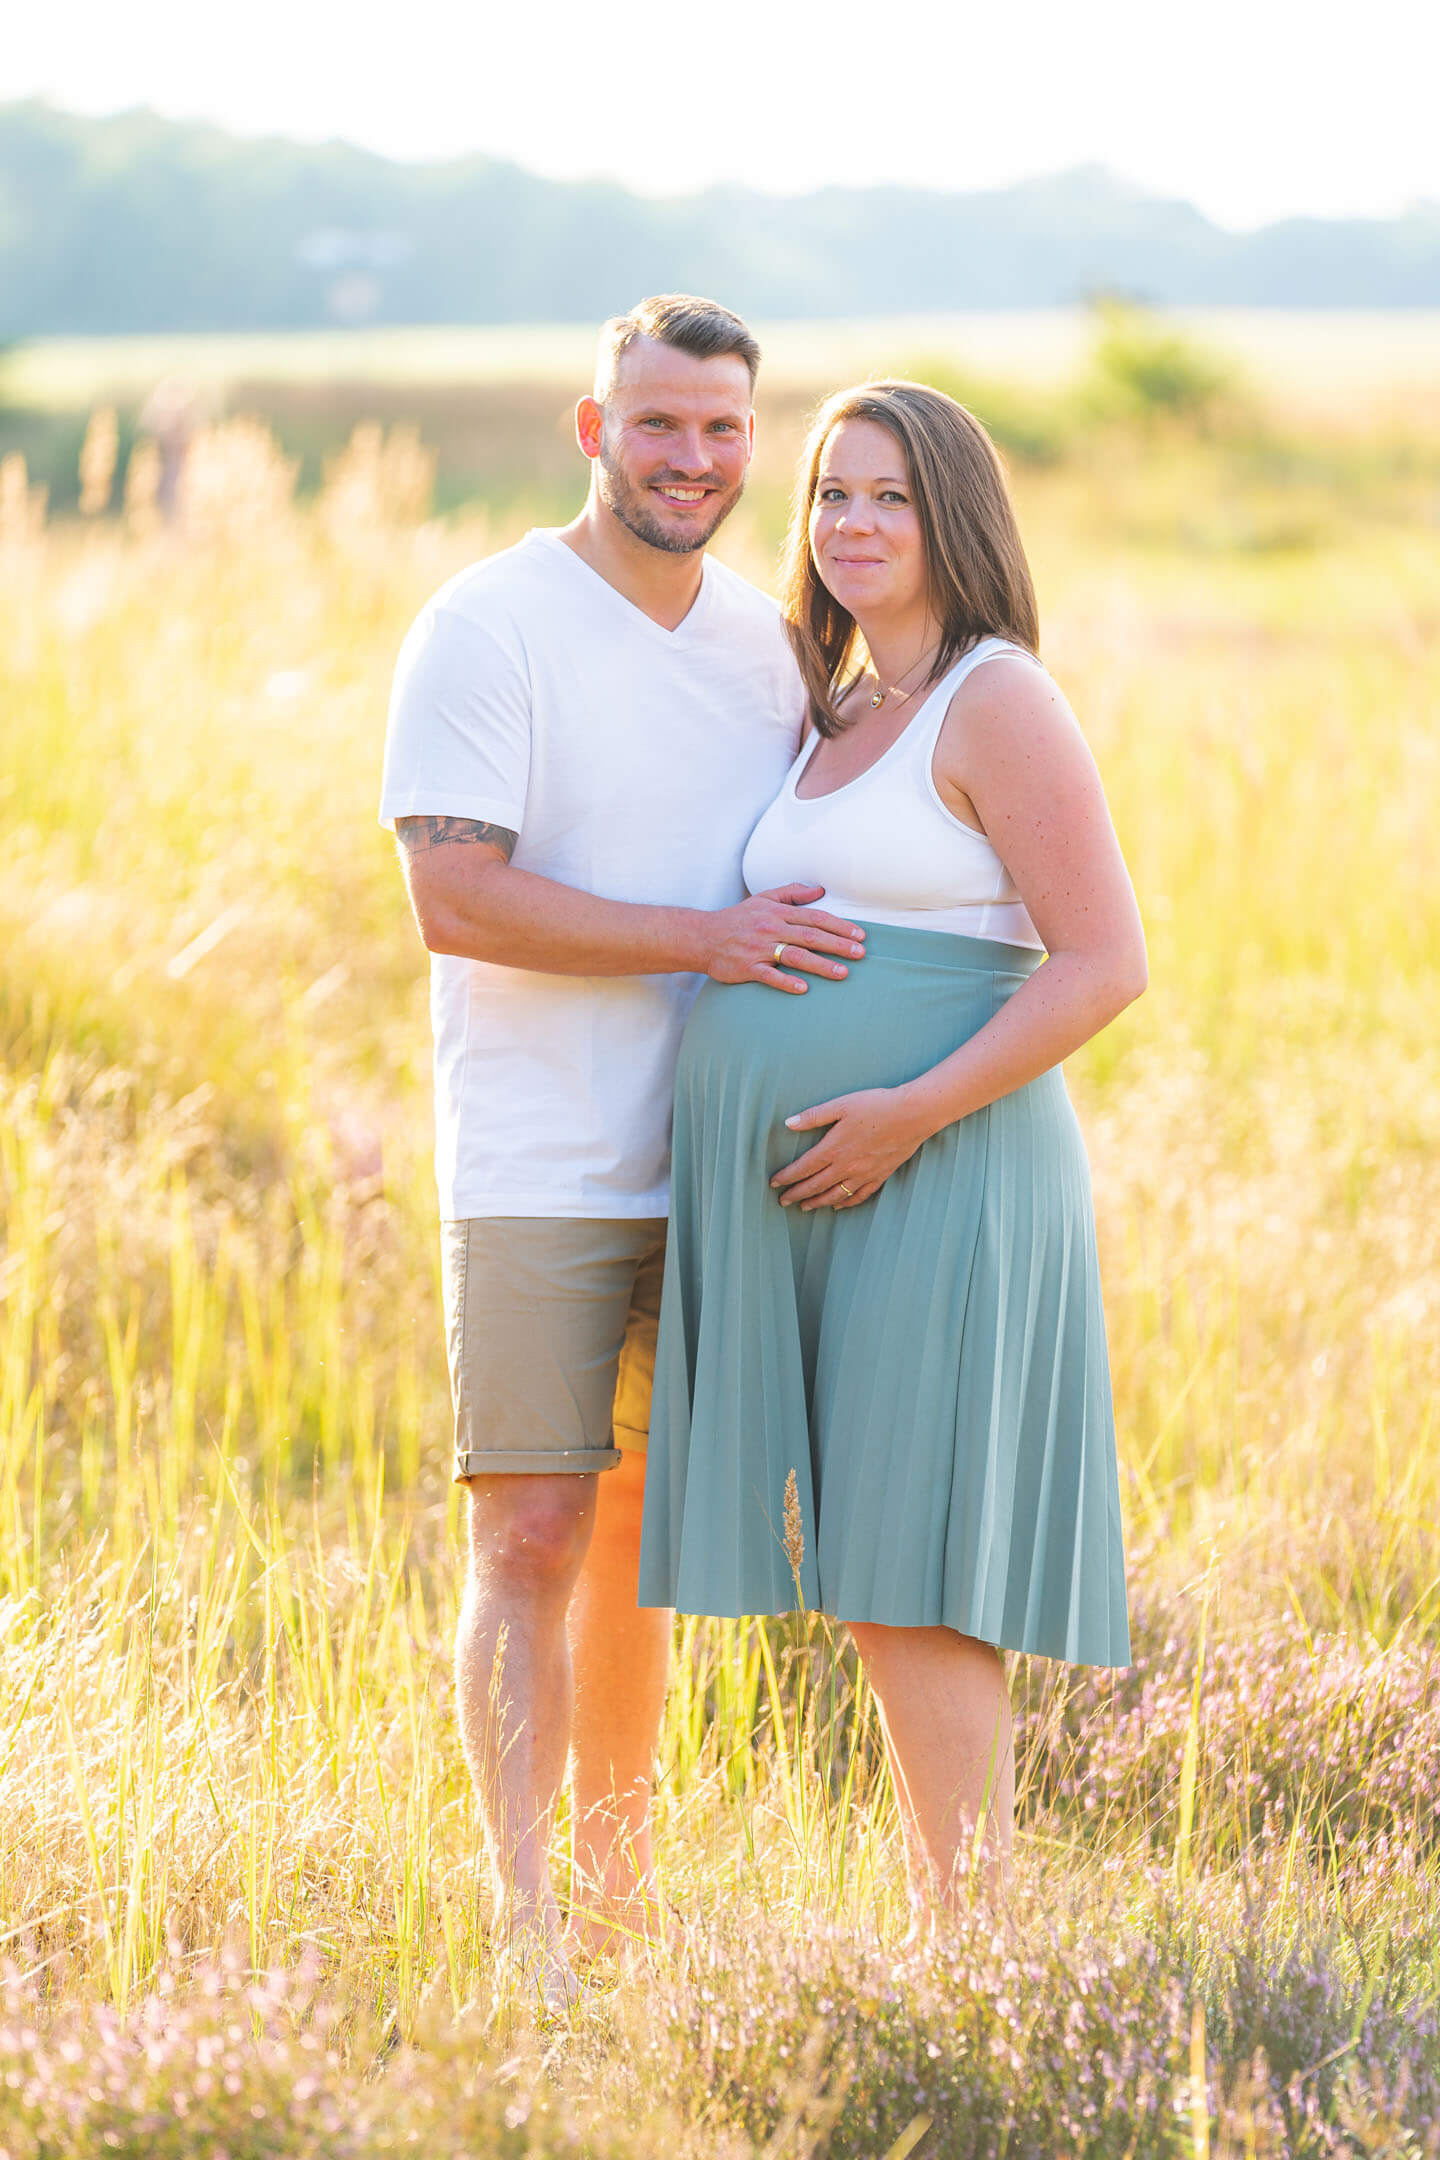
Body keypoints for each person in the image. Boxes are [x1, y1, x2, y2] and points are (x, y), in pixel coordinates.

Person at [378, 295, 867, 2008]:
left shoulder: (769, 647)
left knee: (647, 1536)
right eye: (658, 424)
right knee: (526, 1534)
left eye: (725, 429)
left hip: (723, 1160)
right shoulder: (487, 625)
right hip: (539, 1162)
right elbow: (457, 896)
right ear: (595, 430)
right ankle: (523, 1935)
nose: (694, 459)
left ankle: (616, 1897)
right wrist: (705, 940)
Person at [638, 380, 1145, 1924]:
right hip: (838, 1183)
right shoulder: (845, 703)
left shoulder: (998, 697)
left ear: (955, 520)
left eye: (890, 498)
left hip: (947, 1166)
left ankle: (975, 1947)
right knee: (871, 1565)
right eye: (831, 496)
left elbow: (1102, 963)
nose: (852, 526)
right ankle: (965, 1934)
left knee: (910, 1564)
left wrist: (906, 1115)